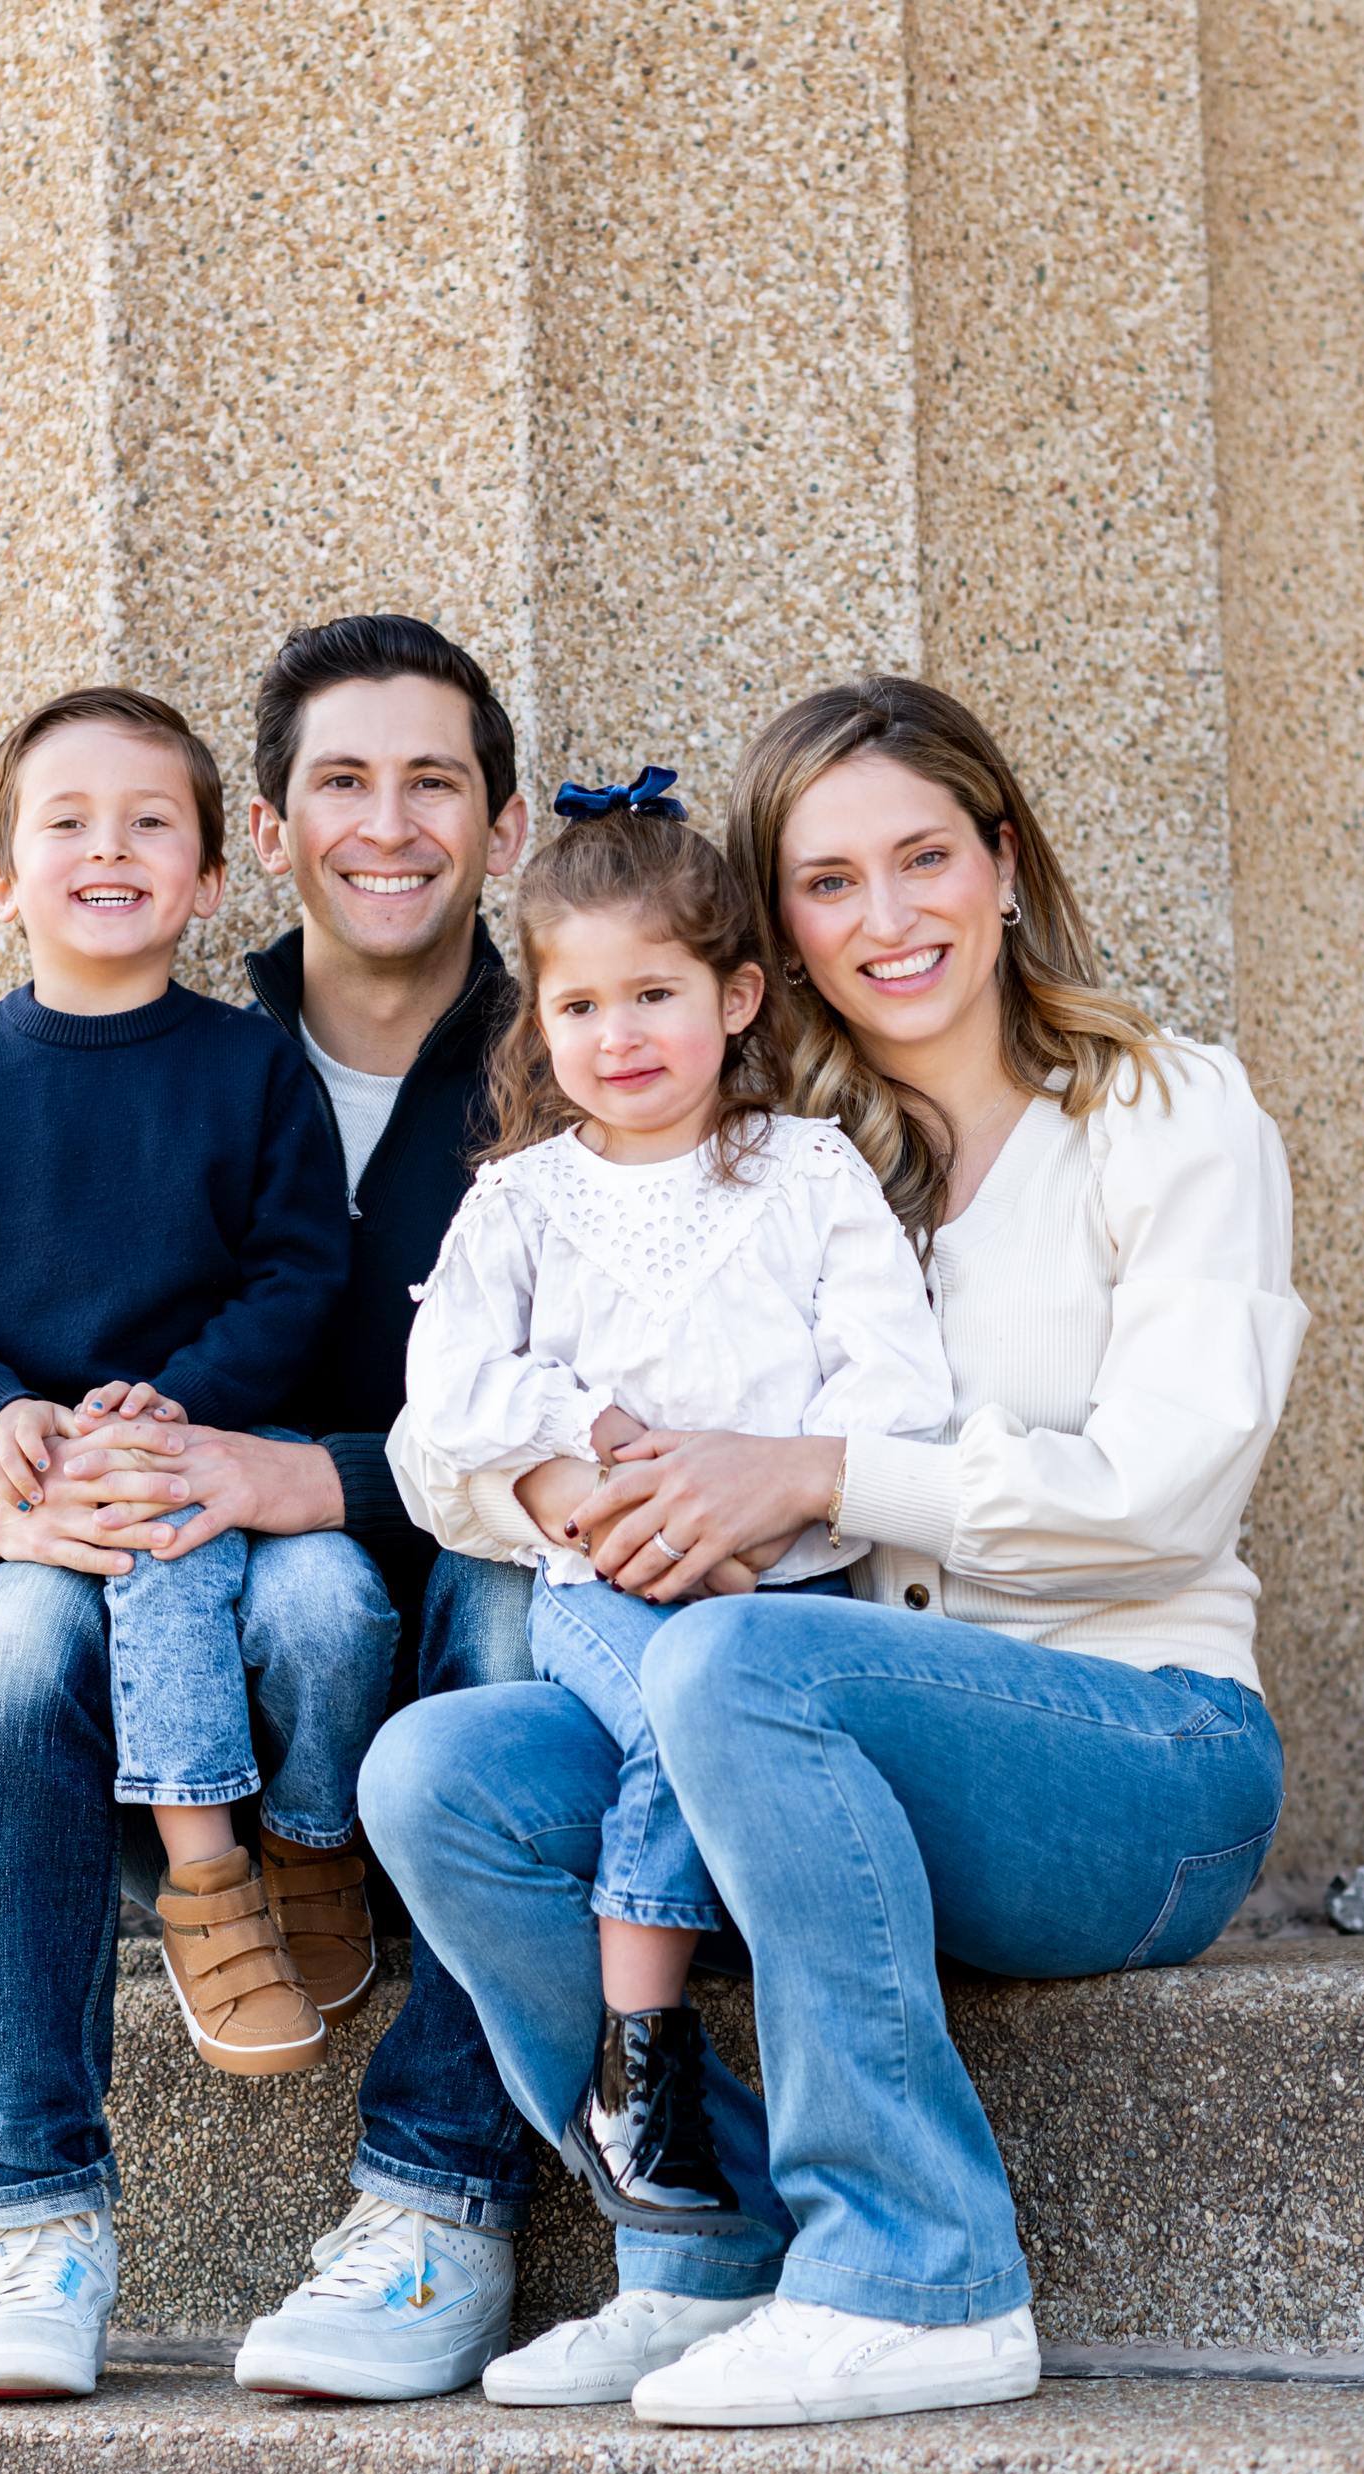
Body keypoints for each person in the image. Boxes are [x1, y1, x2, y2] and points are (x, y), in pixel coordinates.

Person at [359, 673, 1308, 2419]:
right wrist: (568, 1497)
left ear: (1001, 863)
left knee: (735, 1660)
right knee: (440, 1775)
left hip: (1139, 1758)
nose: (886, 917)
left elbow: (1166, 1488)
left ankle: (924, 2270)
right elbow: (441, 1440)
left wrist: (812, 1472)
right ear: (774, 932)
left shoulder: (1168, 1112)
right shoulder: (770, 1153)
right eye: (827, 880)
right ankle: (705, 2243)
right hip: (813, 1737)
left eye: (923, 858)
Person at [0, 617, 540, 2405]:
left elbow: (626, 1426)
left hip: (398, 1628)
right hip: (142, 1639)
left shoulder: (587, 1065)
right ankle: (27, 2217)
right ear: (280, 830)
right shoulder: (137, 1050)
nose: (388, 827)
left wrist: (289, 1472)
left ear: (506, 827)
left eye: (435, 785)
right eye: (343, 784)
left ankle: (437, 2205)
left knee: (524, 1621)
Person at [383, 768, 949, 2261]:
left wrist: (761, 1509)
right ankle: (648, 2066)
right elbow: (448, 1397)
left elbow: (896, 1394)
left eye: (655, 995)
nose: (618, 1038)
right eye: (580, 1009)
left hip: (789, 1601)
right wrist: (591, 1435)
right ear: (539, 1022)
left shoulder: (807, 1174)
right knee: (674, 1715)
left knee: (708, 1706)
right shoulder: (518, 1200)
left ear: (741, 994)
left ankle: (645, 2071)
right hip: (598, 1586)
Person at [0, 685, 389, 2127]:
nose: (111, 847)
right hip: (54, 1485)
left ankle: (310, 1841)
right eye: (68, 822)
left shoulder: (250, 1067)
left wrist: (186, 1407)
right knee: (109, 1575)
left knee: (337, 1609)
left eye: (152, 823)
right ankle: (204, 1888)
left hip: (230, 1445)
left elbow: (299, 1275)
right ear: (1, 880)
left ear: (211, 879)